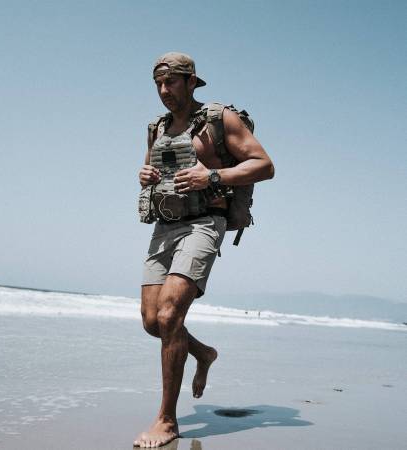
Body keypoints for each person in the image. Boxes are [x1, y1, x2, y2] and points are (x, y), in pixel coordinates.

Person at [134, 52, 274, 448]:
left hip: (203, 224)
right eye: (159, 83)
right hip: (165, 226)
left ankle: (166, 420)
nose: (164, 91)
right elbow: (151, 175)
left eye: (172, 82)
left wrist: (212, 174)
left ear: (191, 82)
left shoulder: (219, 120)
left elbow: (265, 165)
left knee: (169, 314)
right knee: (151, 321)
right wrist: (143, 174)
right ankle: (204, 354)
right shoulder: (156, 127)